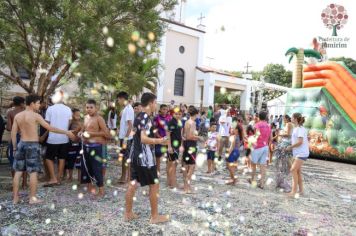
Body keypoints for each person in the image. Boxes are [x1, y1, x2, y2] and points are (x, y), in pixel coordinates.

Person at [11, 94, 75, 204]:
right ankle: (32, 198)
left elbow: (13, 133)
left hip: (21, 144)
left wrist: (14, 147)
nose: (39, 105)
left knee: (18, 172)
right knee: (33, 172)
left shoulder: (18, 116)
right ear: (32, 104)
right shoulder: (36, 116)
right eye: (38, 103)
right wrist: (66, 132)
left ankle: (15, 198)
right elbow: (50, 128)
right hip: (33, 145)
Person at [124, 92, 170, 224]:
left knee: (132, 184)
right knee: (154, 185)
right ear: (151, 103)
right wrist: (160, 140)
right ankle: (154, 217)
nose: (156, 106)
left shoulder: (139, 116)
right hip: (145, 159)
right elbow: (144, 139)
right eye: (155, 103)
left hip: (135, 156)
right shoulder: (145, 117)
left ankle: (128, 213)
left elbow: (136, 137)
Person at [80, 99, 110, 197]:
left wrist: (92, 134)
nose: (89, 109)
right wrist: (80, 133)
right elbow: (83, 129)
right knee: (87, 168)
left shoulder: (99, 118)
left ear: (96, 108)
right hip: (86, 146)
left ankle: (101, 190)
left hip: (96, 147)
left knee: (97, 169)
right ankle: (90, 187)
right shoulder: (85, 118)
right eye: (87, 107)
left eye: (91, 107)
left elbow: (106, 133)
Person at [44, 92, 72, 187]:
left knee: (48, 158)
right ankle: (59, 178)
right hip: (64, 138)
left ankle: (53, 178)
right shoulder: (68, 109)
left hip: (53, 138)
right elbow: (69, 124)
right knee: (62, 158)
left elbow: (47, 125)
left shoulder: (50, 109)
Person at [286, 113, 309, 198]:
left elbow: (300, 142)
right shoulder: (297, 128)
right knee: (297, 171)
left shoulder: (300, 129)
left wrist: (290, 147)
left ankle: (293, 191)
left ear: (295, 119)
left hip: (302, 153)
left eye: (291, 117)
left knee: (293, 170)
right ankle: (301, 191)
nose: (290, 118)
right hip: (298, 153)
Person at [249, 111, 271, 189]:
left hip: (257, 146)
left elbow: (257, 135)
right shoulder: (268, 125)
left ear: (259, 117)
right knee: (263, 166)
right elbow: (270, 138)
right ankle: (262, 183)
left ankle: (252, 180)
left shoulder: (257, 125)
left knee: (253, 164)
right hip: (265, 146)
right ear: (265, 117)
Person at [182, 106, 202, 194]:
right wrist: (199, 137)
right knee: (191, 166)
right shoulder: (192, 123)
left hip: (186, 144)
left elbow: (184, 135)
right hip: (191, 145)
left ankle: (186, 186)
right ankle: (187, 187)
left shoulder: (186, 122)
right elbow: (190, 136)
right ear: (196, 114)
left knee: (186, 165)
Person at [117, 92, 134, 184]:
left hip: (126, 138)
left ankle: (127, 178)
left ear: (122, 98)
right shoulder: (126, 109)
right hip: (123, 137)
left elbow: (130, 125)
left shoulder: (128, 109)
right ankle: (124, 176)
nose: (118, 101)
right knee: (124, 157)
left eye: (118, 99)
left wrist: (126, 139)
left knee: (126, 158)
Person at [6, 96, 25, 180]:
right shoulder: (25, 112)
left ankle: (15, 182)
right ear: (21, 103)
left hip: (14, 137)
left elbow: (9, 128)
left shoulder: (10, 112)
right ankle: (25, 183)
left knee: (13, 159)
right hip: (25, 137)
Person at [274, 115, 293, 192]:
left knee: (283, 162)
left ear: (286, 118)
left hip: (285, 143)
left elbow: (288, 134)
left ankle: (284, 182)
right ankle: (280, 181)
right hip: (285, 143)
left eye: (284, 118)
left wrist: (279, 134)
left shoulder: (288, 124)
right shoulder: (288, 124)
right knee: (283, 162)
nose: (283, 120)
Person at [166, 107, 183, 188]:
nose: (178, 115)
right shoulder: (171, 122)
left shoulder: (178, 122)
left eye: (179, 114)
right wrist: (169, 146)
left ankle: (170, 182)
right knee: (172, 164)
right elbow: (168, 134)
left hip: (177, 146)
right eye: (176, 114)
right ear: (173, 114)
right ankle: (172, 183)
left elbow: (178, 134)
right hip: (172, 146)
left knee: (173, 164)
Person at [153, 104, 171, 174]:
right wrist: (159, 137)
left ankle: (168, 172)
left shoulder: (169, 117)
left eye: (166, 109)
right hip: (159, 139)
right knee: (158, 156)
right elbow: (155, 129)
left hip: (167, 140)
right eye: (163, 109)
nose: (165, 111)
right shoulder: (156, 117)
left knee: (168, 156)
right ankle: (158, 171)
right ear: (160, 109)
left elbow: (170, 129)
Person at [65, 108, 83, 182]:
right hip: (71, 145)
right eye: (76, 115)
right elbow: (67, 131)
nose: (78, 116)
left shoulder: (81, 123)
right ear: (72, 114)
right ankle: (70, 177)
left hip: (79, 144)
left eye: (79, 115)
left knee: (79, 160)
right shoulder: (70, 122)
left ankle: (79, 177)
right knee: (70, 160)